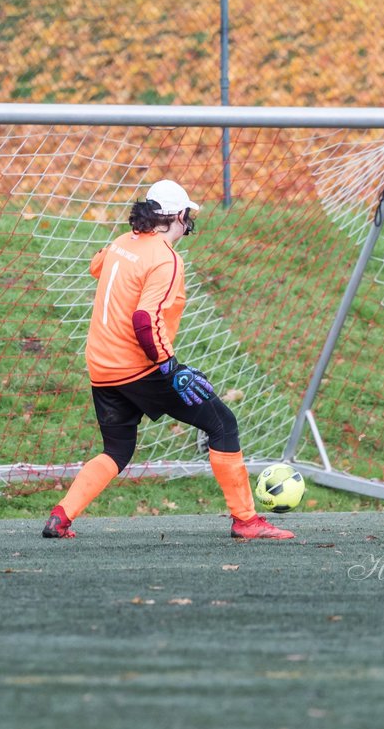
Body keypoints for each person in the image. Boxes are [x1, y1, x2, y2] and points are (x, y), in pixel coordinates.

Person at [42, 179, 294, 540]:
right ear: (178, 216)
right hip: (138, 367)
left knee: (117, 449)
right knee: (222, 423)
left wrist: (128, 243)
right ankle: (246, 521)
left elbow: (96, 266)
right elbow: (145, 320)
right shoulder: (166, 259)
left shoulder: (121, 243)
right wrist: (171, 368)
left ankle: (60, 516)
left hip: (101, 366)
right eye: (187, 214)